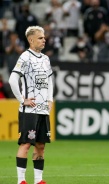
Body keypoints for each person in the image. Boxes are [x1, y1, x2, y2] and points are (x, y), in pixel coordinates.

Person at [8, 26, 53, 184]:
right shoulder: (25, 57)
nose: (44, 40)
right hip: (29, 110)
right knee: (26, 144)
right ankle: (21, 181)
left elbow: (50, 80)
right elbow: (12, 80)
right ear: (31, 39)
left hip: (43, 110)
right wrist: (22, 99)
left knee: (40, 146)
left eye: (44, 37)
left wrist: (50, 99)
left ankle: (38, 180)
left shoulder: (46, 59)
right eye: (40, 38)